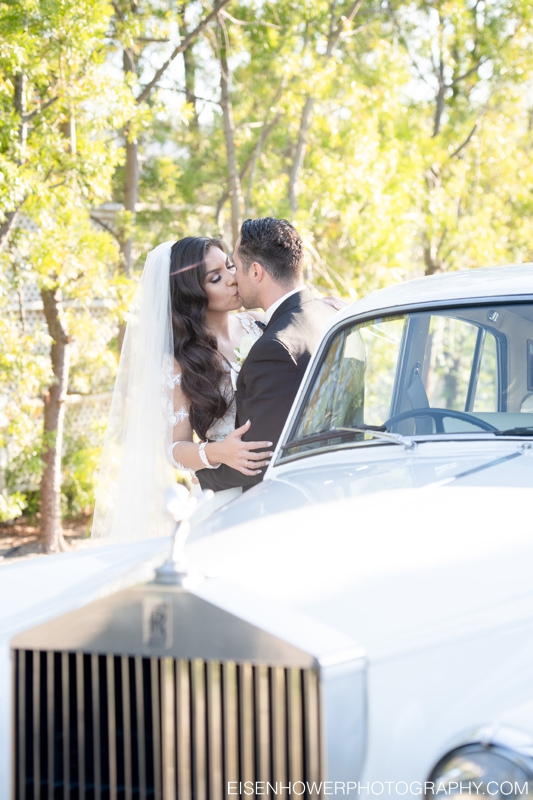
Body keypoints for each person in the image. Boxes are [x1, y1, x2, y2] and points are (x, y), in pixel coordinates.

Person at [91, 236, 271, 542]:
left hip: (278, 476)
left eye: (229, 266)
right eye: (215, 278)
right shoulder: (181, 361)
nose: (232, 279)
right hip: (226, 493)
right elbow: (174, 448)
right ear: (192, 294)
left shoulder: (258, 324)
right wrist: (218, 452)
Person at [196, 217, 336, 495]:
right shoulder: (333, 315)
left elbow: (259, 458)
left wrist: (200, 477)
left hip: (283, 497)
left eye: (235, 267)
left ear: (256, 272)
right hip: (332, 480)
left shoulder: (273, 347)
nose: (233, 278)